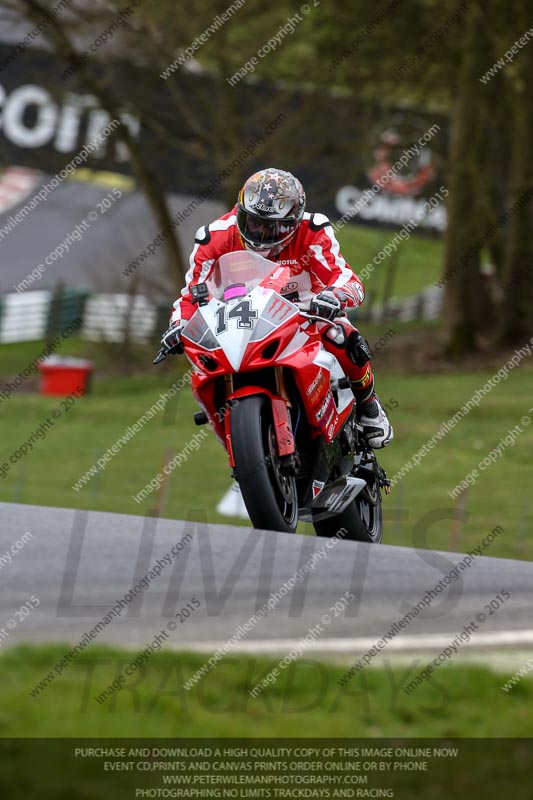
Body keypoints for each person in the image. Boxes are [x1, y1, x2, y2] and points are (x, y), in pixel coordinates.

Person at [161, 168, 393, 448]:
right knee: (209, 368)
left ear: (293, 221)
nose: (259, 234)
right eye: (252, 222)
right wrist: (178, 326)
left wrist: (335, 296)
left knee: (345, 341)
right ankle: (243, 445)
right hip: (244, 318)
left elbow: (345, 277)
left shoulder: (313, 230)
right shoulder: (213, 237)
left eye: (272, 226)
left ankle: (369, 406)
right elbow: (190, 294)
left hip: (307, 310)